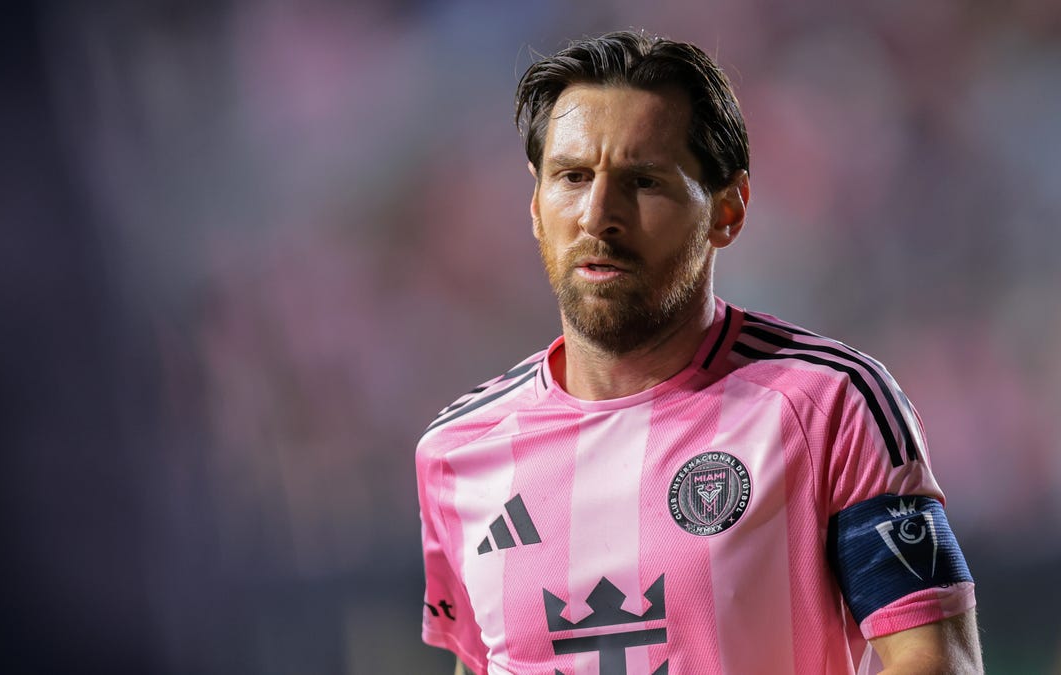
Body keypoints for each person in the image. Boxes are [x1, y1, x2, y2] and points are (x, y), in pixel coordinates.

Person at [415, 30, 981, 675]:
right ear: (537, 206)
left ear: (727, 211)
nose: (598, 215)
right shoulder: (457, 451)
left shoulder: (830, 405)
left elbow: (934, 661)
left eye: (643, 181)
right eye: (572, 177)